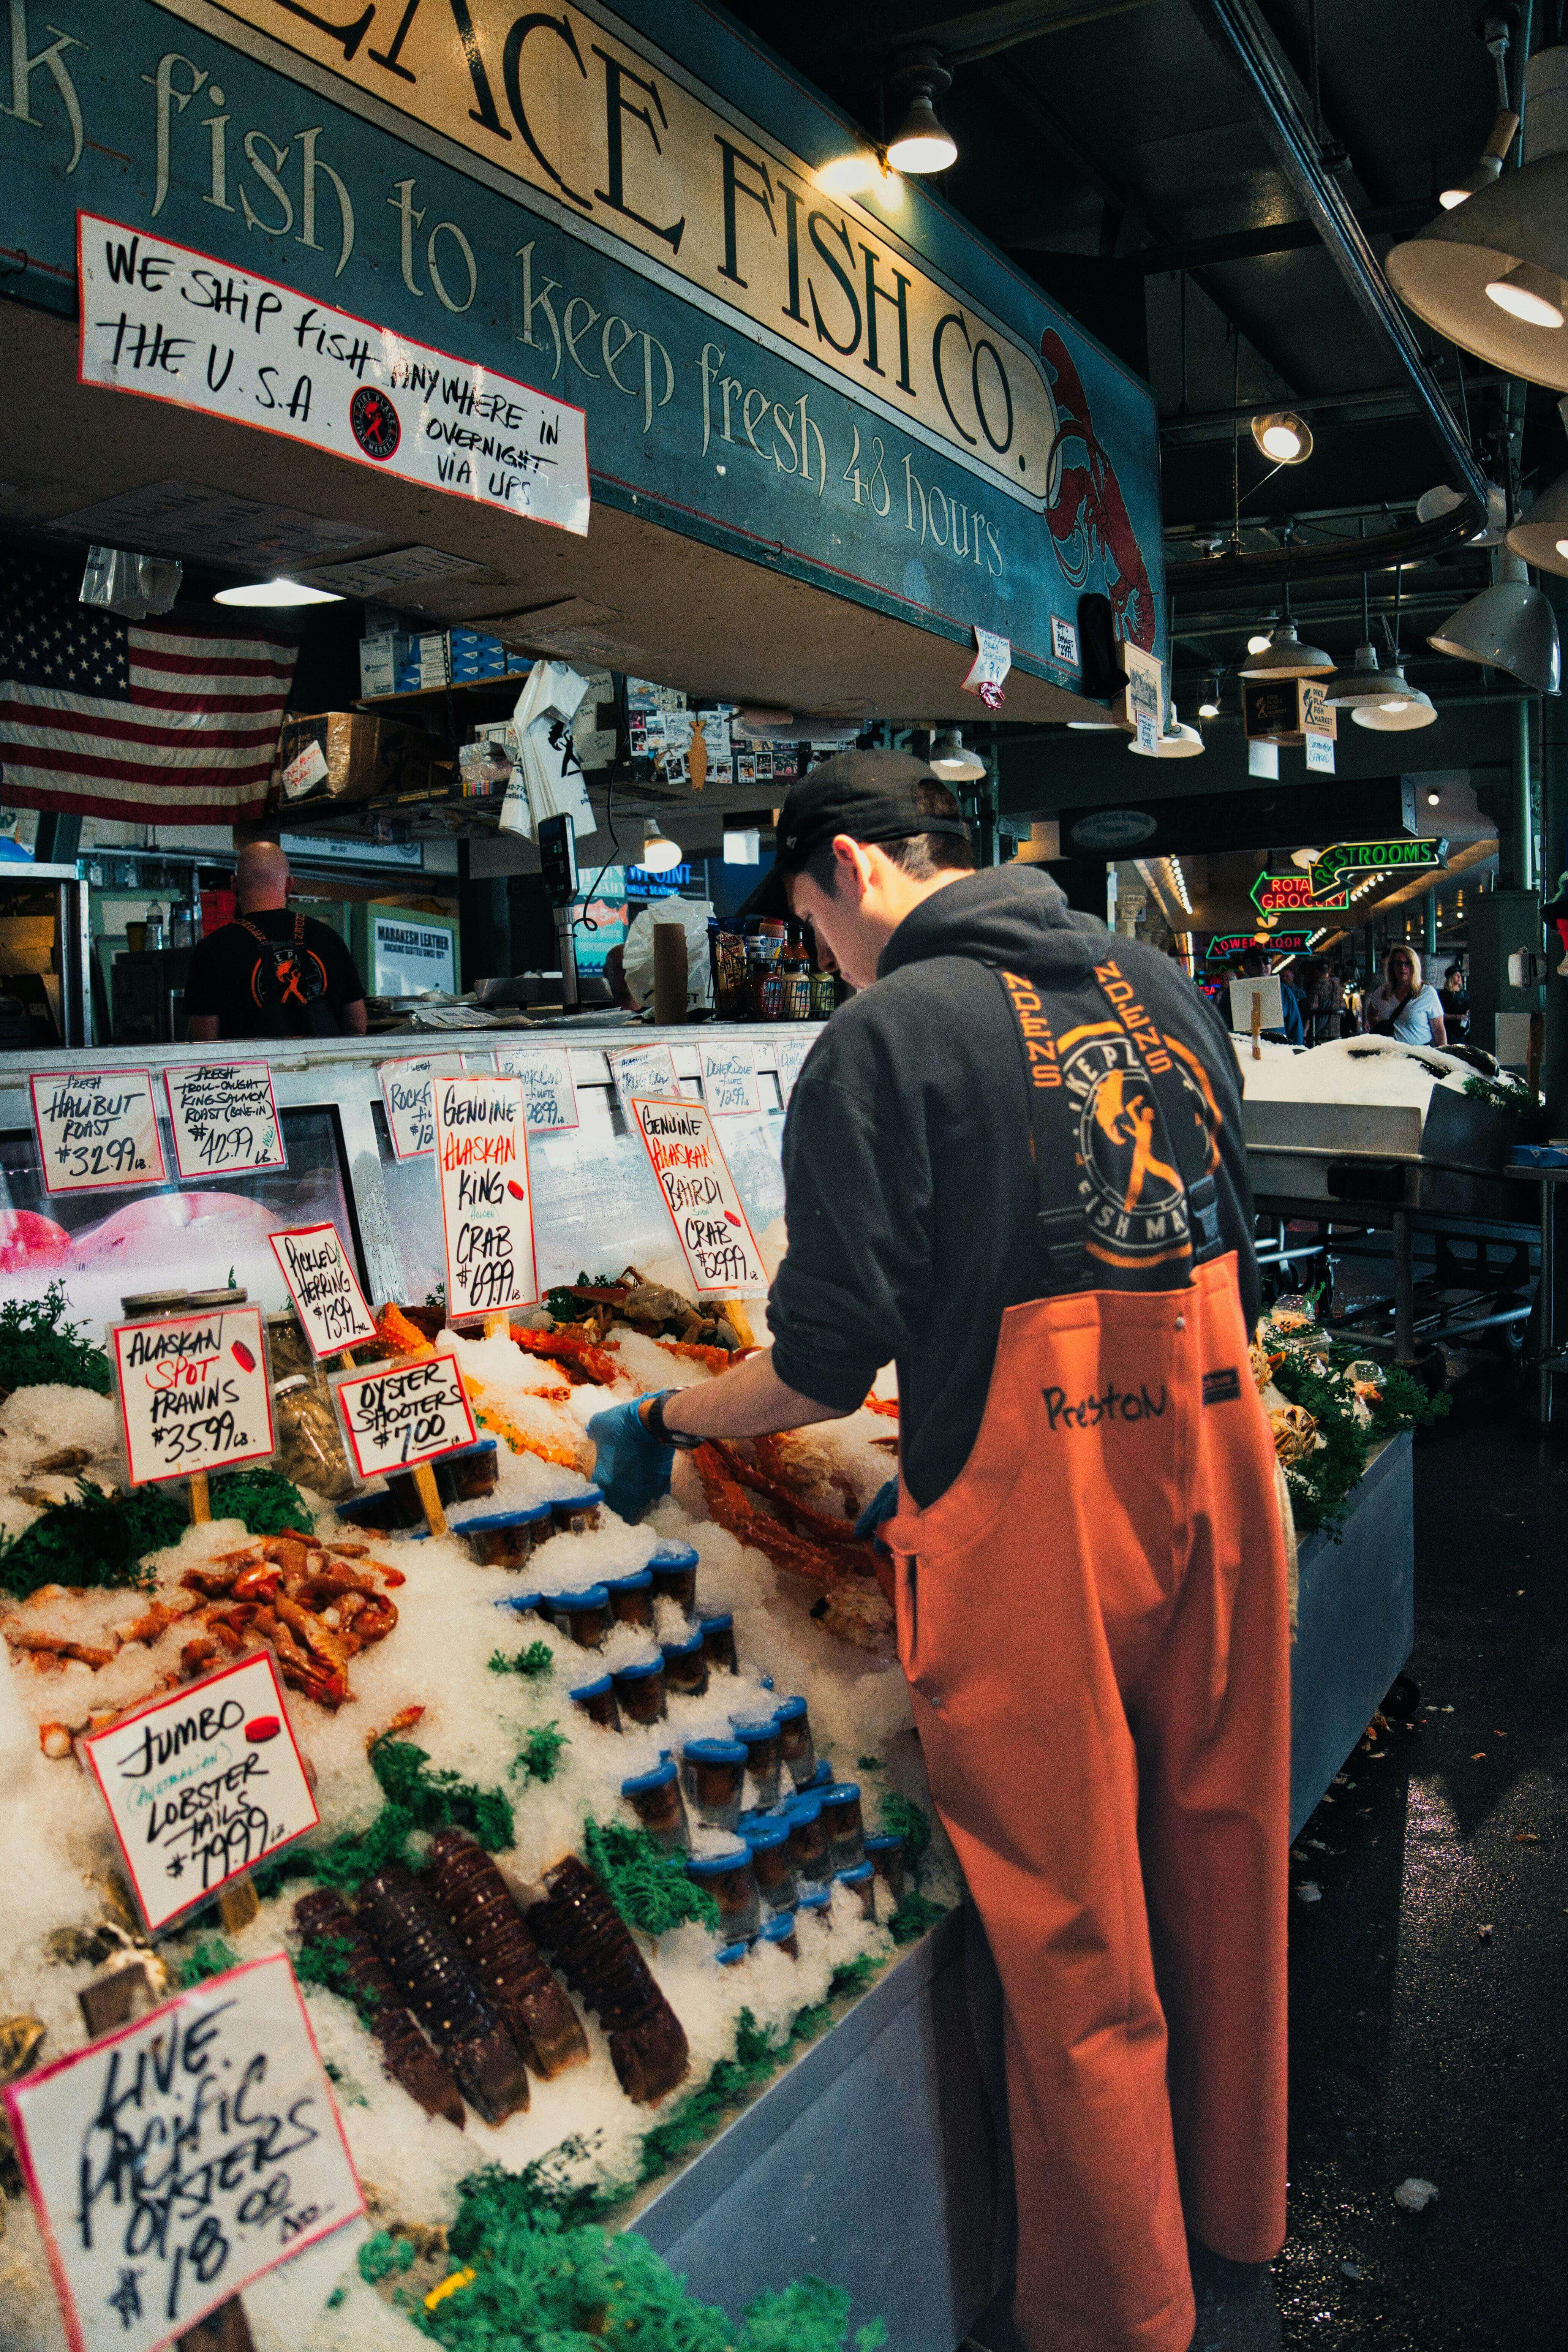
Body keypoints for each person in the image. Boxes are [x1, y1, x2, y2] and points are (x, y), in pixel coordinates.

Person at [587, 751, 1290, 2352]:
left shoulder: (881, 1036)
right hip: (1217, 1471)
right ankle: (1236, 2238)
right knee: (1222, 1851)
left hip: (1045, 1534)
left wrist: (680, 1416)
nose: (812, 947)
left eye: (803, 914)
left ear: (845, 866)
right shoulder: (1159, 983)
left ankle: (1117, 2318)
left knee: (1072, 1936)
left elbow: (824, 1365)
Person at [185, 841, 368, 1041]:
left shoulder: (213, 949)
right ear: (290, 885)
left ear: (234, 885)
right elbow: (357, 1025)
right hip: (326, 1070)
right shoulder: (329, 939)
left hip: (251, 1072)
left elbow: (203, 1042)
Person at [1363, 945, 1446, 1047]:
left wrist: (1442, 1059)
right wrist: (1380, 1032)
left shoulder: (1428, 993)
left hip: (1419, 1057)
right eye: (1398, 963)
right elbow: (1371, 1013)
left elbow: (1438, 1029)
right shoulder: (1382, 992)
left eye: (1408, 963)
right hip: (1390, 1057)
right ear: (1392, 967)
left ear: (1415, 966)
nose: (1403, 968)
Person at [1235, 946, 1304, 1046]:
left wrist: (1296, 1054)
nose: (1262, 966)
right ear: (1245, 966)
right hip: (1245, 1053)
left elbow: (1296, 1028)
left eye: (1266, 961)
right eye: (1255, 962)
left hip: (1279, 1053)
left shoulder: (1284, 991)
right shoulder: (1233, 993)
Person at [1438, 959, 1470, 1044]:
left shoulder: (1465, 994)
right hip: (1450, 1031)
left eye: (1460, 975)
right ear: (1451, 978)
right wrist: (1457, 1017)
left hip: (1464, 1030)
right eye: (1457, 975)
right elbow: (1441, 1015)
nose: (1459, 977)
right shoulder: (1445, 995)